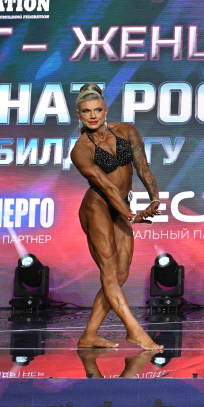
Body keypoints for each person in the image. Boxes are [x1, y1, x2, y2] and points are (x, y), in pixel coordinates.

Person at [71, 83, 163, 351]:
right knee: (109, 273)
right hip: (97, 206)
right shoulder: (81, 149)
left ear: (105, 109)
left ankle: (89, 335)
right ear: (79, 114)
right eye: (86, 111)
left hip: (122, 206)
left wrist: (155, 199)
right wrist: (131, 215)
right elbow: (107, 186)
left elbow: (143, 168)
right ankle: (135, 331)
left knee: (121, 274)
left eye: (97, 110)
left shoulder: (127, 131)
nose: (93, 115)